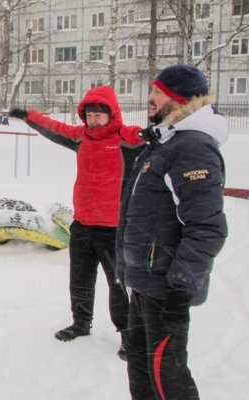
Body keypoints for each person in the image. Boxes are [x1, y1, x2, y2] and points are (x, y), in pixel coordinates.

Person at [116, 64, 228, 399]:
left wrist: (181, 285)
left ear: (179, 99)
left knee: (168, 379)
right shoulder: (164, 143)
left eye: (158, 92)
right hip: (144, 282)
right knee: (141, 370)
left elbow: (207, 226)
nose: (149, 98)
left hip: (165, 288)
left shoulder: (191, 147)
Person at [10, 86, 143, 359]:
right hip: (82, 223)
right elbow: (55, 128)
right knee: (80, 279)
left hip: (113, 227)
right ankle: (81, 323)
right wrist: (29, 116)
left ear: (112, 115)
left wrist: (156, 131)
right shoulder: (81, 137)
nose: (93, 120)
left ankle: (129, 336)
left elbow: (153, 136)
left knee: (118, 284)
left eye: (98, 115)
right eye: (89, 115)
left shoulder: (125, 138)